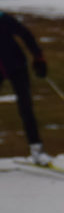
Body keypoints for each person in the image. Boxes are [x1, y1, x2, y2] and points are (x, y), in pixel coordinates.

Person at [0, 11, 52, 165]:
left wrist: (39, 58)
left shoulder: (4, 19)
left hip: (16, 66)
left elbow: (26, 35)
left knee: (26, 107)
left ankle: (37, 151)